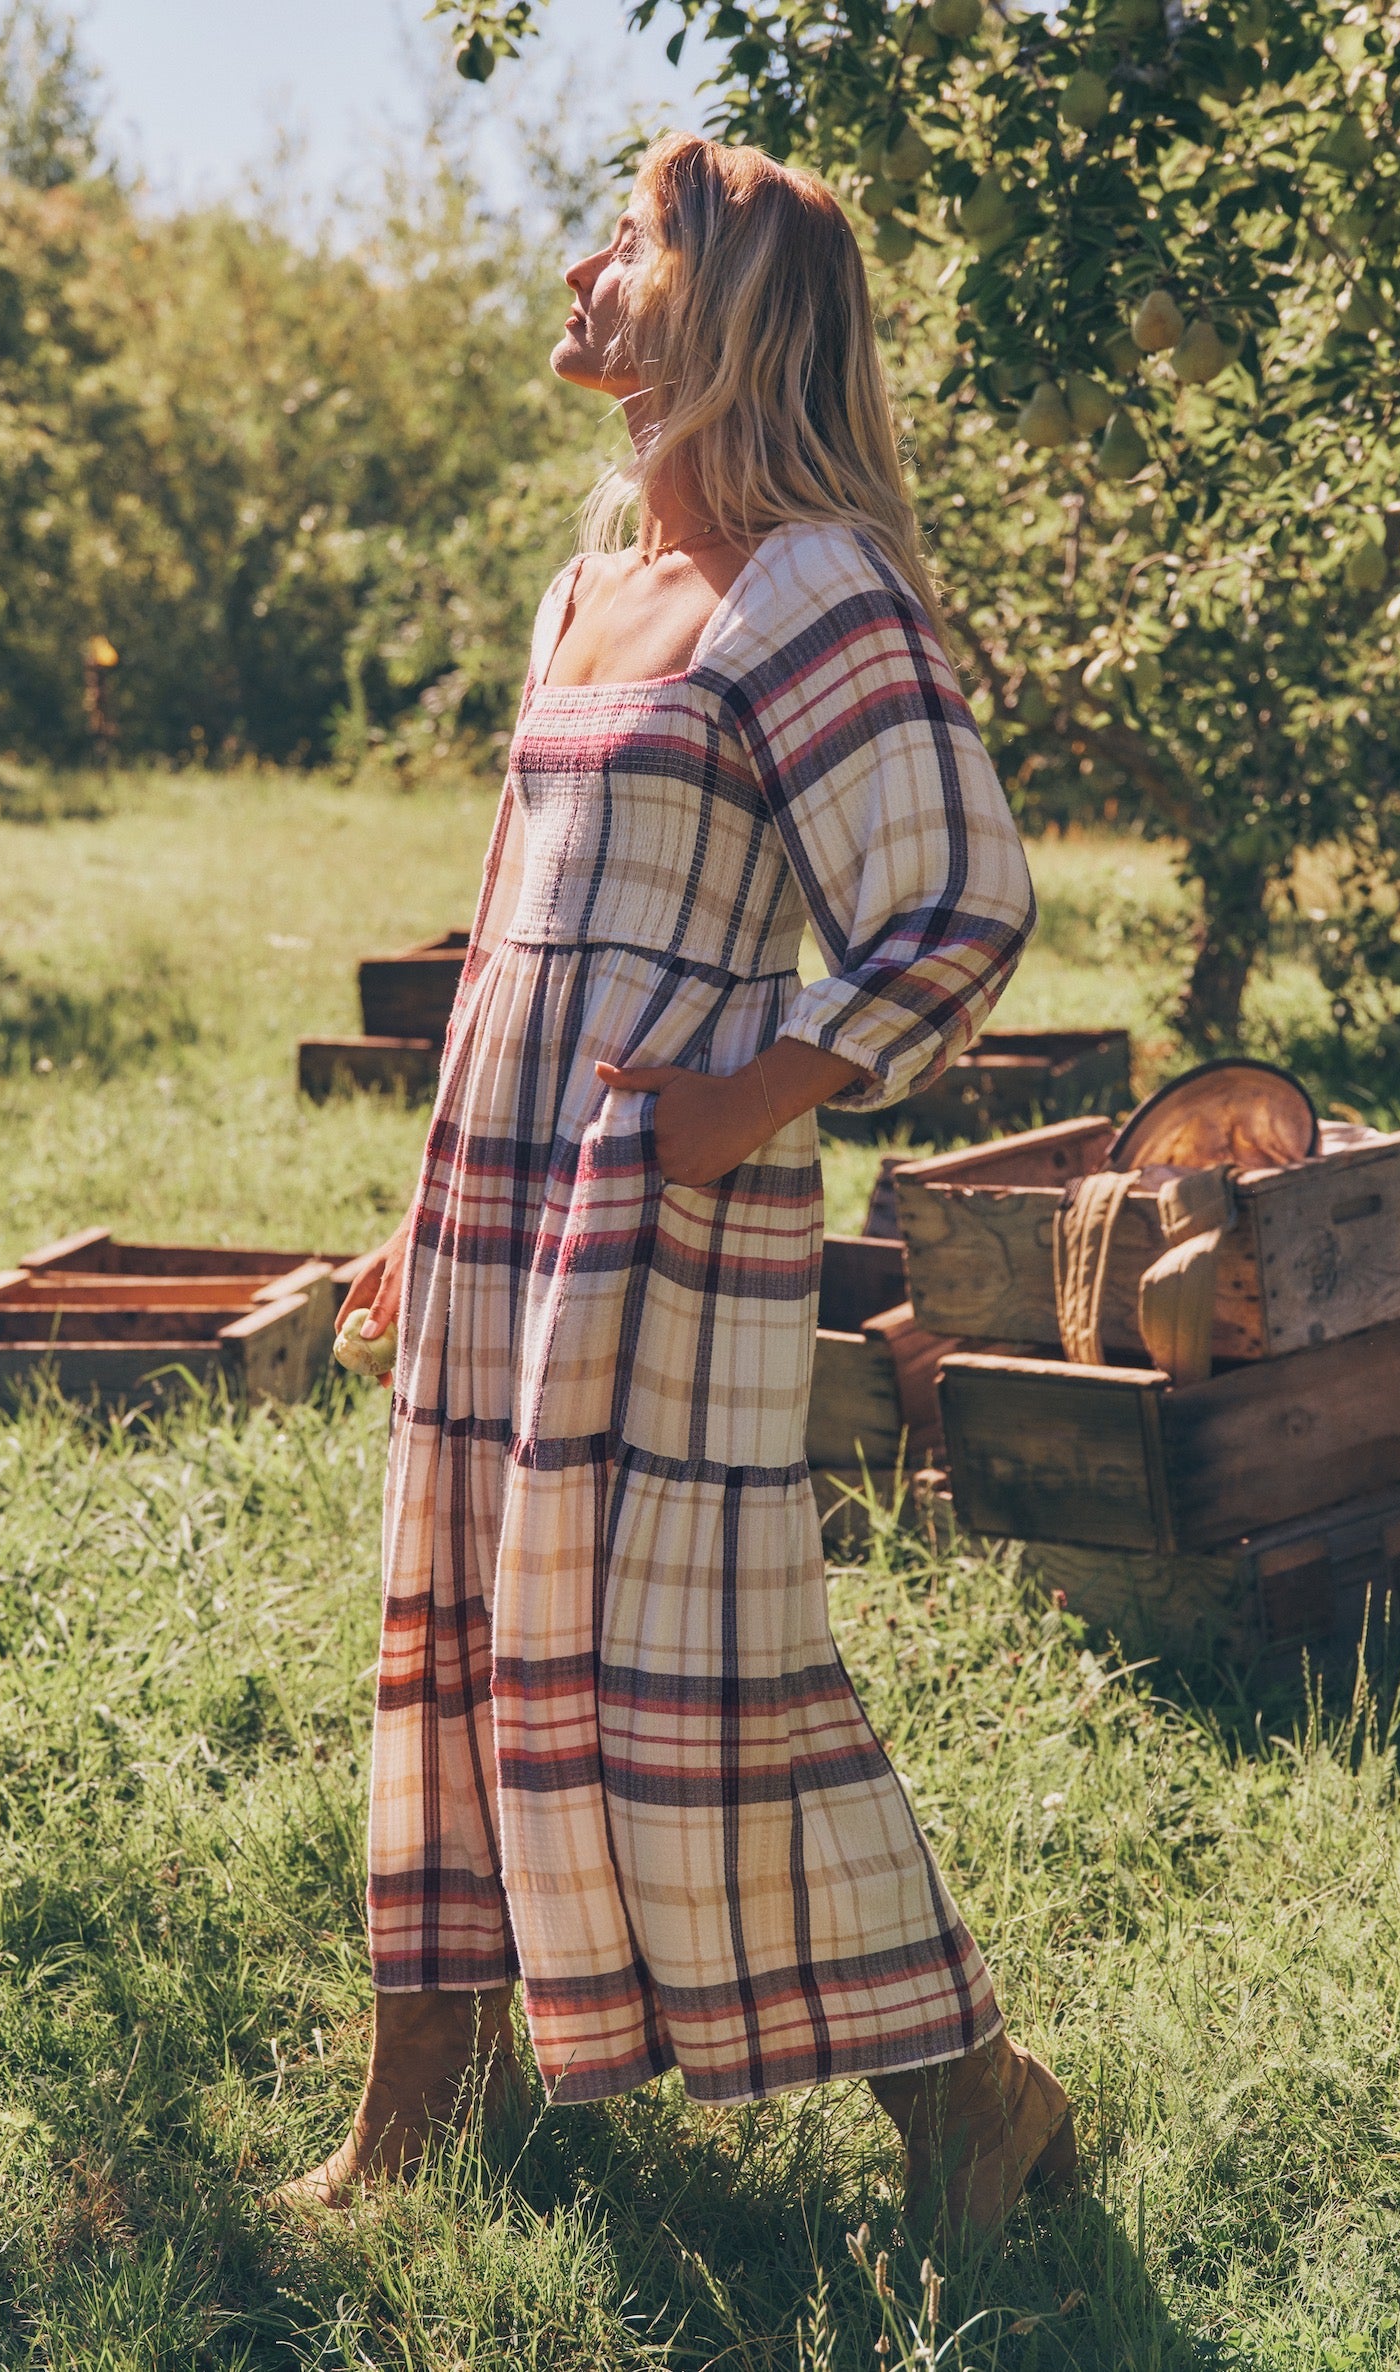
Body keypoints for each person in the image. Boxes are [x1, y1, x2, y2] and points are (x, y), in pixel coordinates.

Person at [279, 130, 1067, 2242]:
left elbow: (962, 904)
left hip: (665, 1231)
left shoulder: (814, 586)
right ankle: (412, 2108)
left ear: (722, 316)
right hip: (499, 1208)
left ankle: (968, 2096)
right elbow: (518, 930)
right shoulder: (591, 585)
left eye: (623, 243)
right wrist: (423, 1202)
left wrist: (750, 1098)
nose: (575, 264)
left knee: (695, 1675)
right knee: (451, 1635)